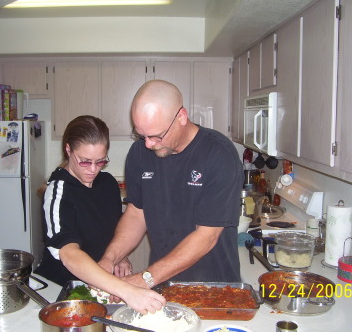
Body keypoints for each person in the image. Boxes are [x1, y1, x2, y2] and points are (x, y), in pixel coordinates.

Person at [99, 80, 244, 295]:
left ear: (181, 118)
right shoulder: (139, 154)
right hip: (163, 284)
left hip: (214, 287)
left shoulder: (219, 154)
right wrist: (110, 259)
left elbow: (206, 236)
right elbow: (136, 214)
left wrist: (145, 278)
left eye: (157, 135)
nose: (148, 144)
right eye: (141, 135)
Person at [34, 115, 165, 313]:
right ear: (68, 150)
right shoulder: (58, 192)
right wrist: (128, 291)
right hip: (60, 291)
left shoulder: (108, 184)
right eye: (85, 162)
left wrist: (120, 257)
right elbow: (70, 254)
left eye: (100, 161)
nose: (93, 170)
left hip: (101, 289)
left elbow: (112, 232)